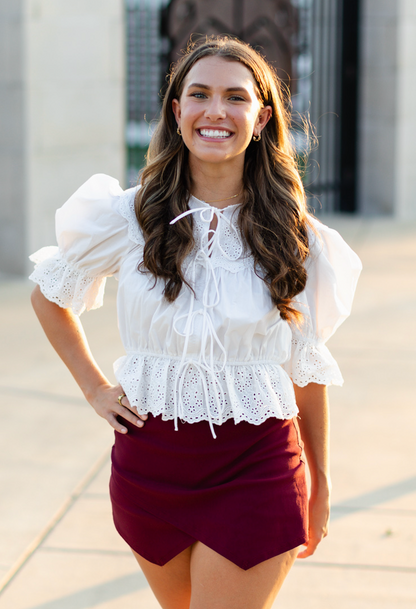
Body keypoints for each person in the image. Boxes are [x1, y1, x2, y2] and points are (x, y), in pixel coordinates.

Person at [30, 36, 361, 609]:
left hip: (254, 465)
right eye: (199, 94)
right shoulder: (127, 216)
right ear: (177, 110)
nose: (216, 111)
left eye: (235, 97)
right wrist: (95, 388)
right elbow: (49, 294)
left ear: (260, 118)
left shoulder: (297, 237)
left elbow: (306, 366)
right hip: (149, 465)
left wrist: (322, 480)